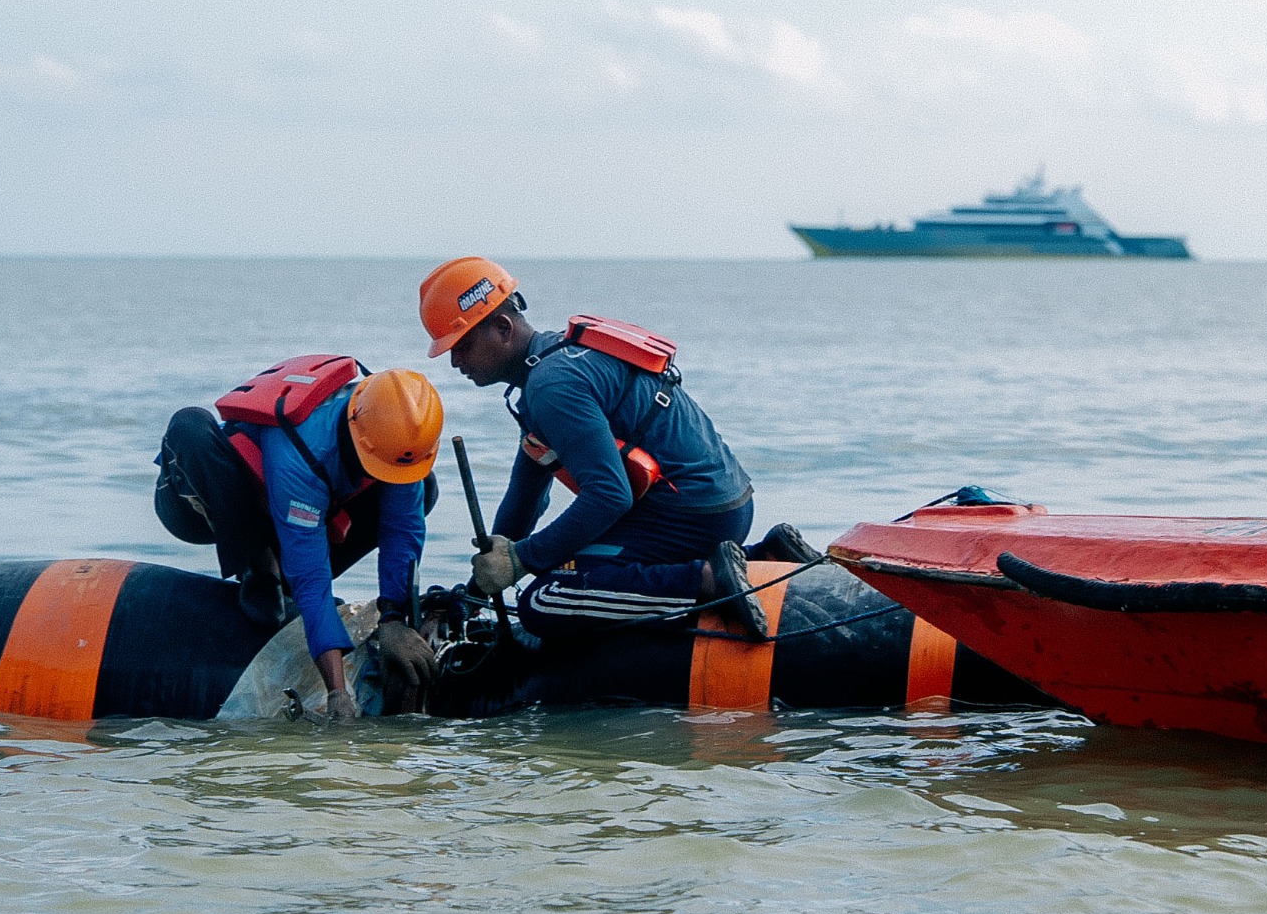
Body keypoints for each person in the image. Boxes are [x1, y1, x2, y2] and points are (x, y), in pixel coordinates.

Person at [419, 256, 807, 641]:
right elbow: (525, 500)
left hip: (692, 518)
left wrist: (523, 560)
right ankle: (765, 556)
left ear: (503, 327)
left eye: (463, 345)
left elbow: (610, 496)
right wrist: (476, 590)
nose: (455, 361)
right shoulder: (552, 366)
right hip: (724, 506)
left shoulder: (552, 387)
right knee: (558, 560)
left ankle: (709, 582)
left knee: (546, 599)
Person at [154, 358, 445, 718]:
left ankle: (282, 582)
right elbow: (312, 578)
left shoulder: (400, 441)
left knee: (422, 490)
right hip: (201, 500)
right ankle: (260, 567)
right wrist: (338, 693)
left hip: (301, 511)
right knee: (190, 425)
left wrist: (393, 620)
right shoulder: (302, 451)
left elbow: (404, 532)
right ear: (358, 435)